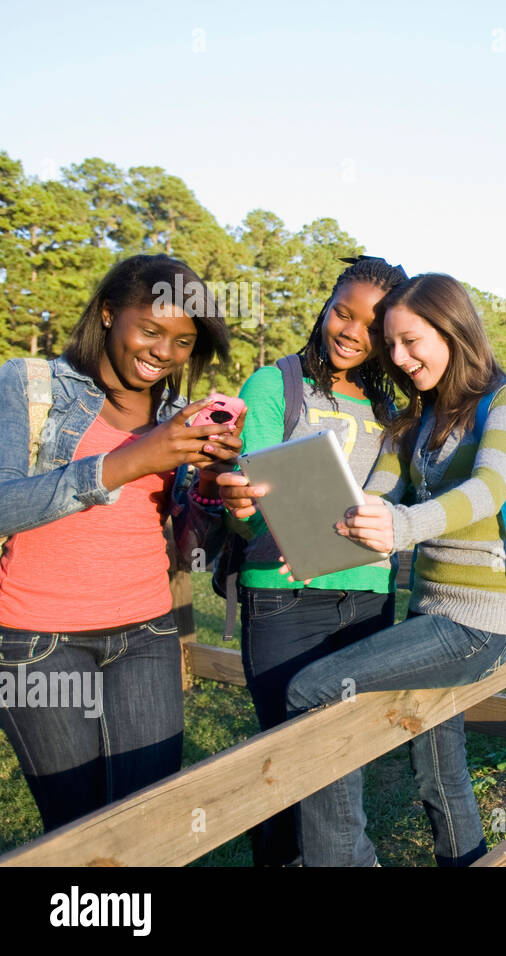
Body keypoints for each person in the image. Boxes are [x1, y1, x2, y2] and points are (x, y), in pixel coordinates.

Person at [282, 272, 506, 867]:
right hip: (428, 616)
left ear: (453, 330)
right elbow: (373, 496)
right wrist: (320, 535)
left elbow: (489, 490)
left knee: (308, 689)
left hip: (479, 626)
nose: (398, 356)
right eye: (390, 344)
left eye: (411, 341)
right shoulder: (416, 419)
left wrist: (403, 527)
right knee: (437, 770)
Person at [0, 253, 241, 832]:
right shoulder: (29, 385)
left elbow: (186, 543)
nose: (164, 351)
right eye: (152, 330)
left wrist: (211, 487)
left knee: (150, 820)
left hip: (147, 634)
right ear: (109, 314)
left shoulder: (180, 416)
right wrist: (132, 460)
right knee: (78, 827)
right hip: (38, 640)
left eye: (183, 341)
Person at [213, 255, 407, 866]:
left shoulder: (392, 409)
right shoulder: (274, 386)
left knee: (342, 755)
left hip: (369, 598)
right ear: (325, 307)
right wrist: (238, 506)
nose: (350, 331)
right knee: (289, 757)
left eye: (370, 326)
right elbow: (246, 512)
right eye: (341, 312)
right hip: (284, 595)